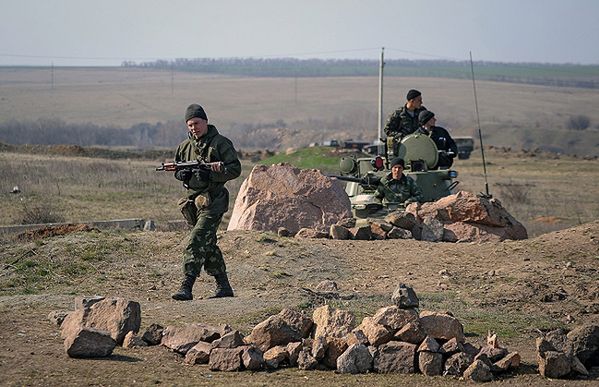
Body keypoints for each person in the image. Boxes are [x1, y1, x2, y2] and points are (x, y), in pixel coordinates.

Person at [171, 104, 242, 301]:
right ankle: (223, 285)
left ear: (206, 122)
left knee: (196, 240)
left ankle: (187, 285)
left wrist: (211, 174)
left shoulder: (220, 143)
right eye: (190, 124)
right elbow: (177, 168)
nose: (194, 127)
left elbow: (235, 169)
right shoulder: (184, 147)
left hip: (214, 201)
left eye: (197, 123)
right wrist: (181, 174)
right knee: (207, 243)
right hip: (193, 203)